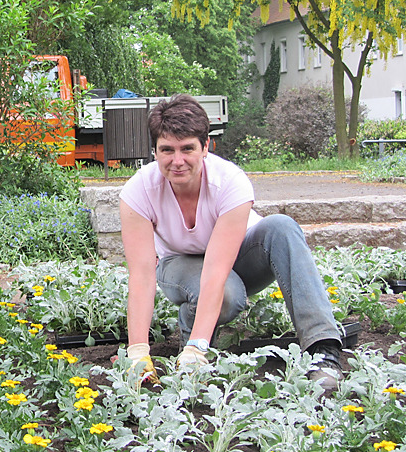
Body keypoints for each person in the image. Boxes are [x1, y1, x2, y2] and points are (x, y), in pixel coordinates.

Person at [119, 94, 344, 391]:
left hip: (234, 257)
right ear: (155, 151)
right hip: (178, 264)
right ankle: (193, 349)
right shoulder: (138, 191)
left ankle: (322, 349)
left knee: (282, 227)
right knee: (227, 296)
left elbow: (216, 269)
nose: (177, 161)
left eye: (187, 148)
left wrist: (197, 347)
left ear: (206, 147)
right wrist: (137, 351)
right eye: (167, 150)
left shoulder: (230, 183)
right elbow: (142, 275)